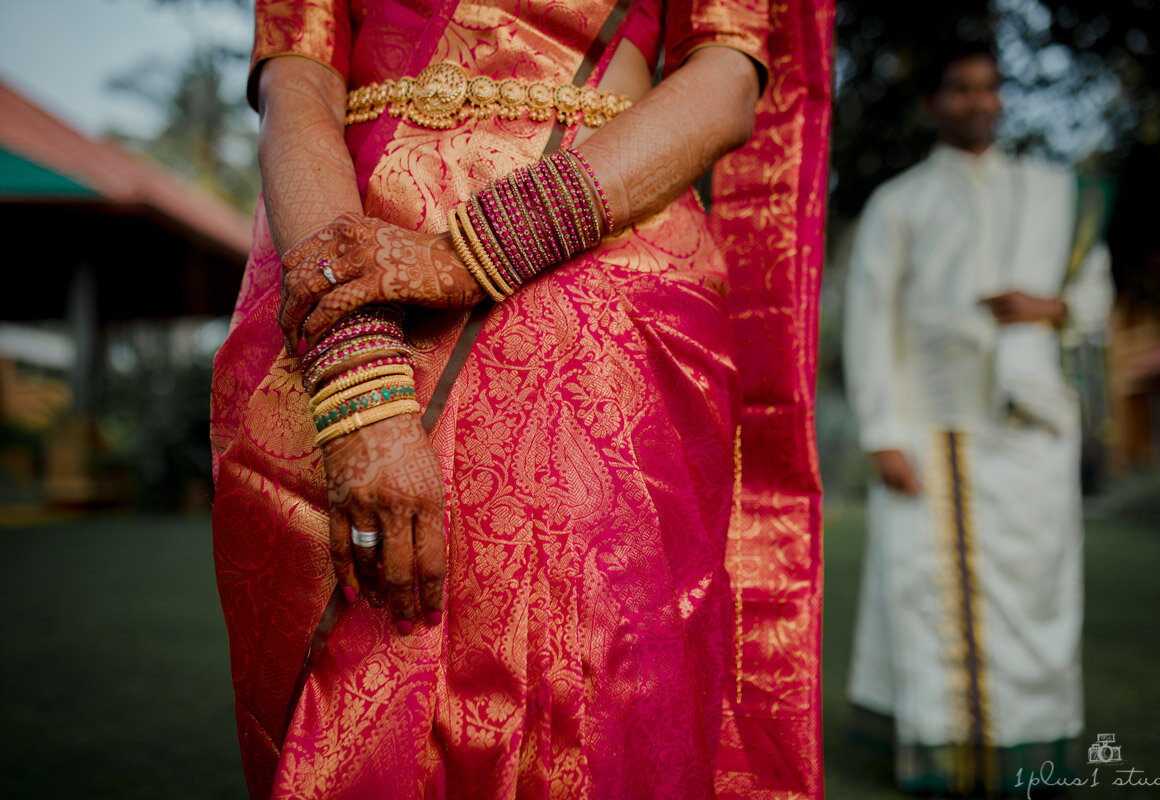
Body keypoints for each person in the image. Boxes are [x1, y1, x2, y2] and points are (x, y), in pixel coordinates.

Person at [210, 1, 831, 798]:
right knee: (359, 678)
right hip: (347, 247)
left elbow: (726, 77)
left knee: (595, 695)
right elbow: (298, 79)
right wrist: (353, 364)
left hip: (608, 273)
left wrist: (472, 255)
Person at [843, 41, 1114, 797]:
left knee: (1038, 595)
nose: (978, 102)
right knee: (928, 596)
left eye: (989, 88)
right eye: (960, 89)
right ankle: (946, 754)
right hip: (932, 431)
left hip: (1033, 429)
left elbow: (1096, 298)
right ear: (935, 103)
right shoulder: (900, 202)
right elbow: (870, 324)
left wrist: (1048, 306)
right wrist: (881, 434)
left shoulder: (1053, 193)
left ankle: (1031, 752)